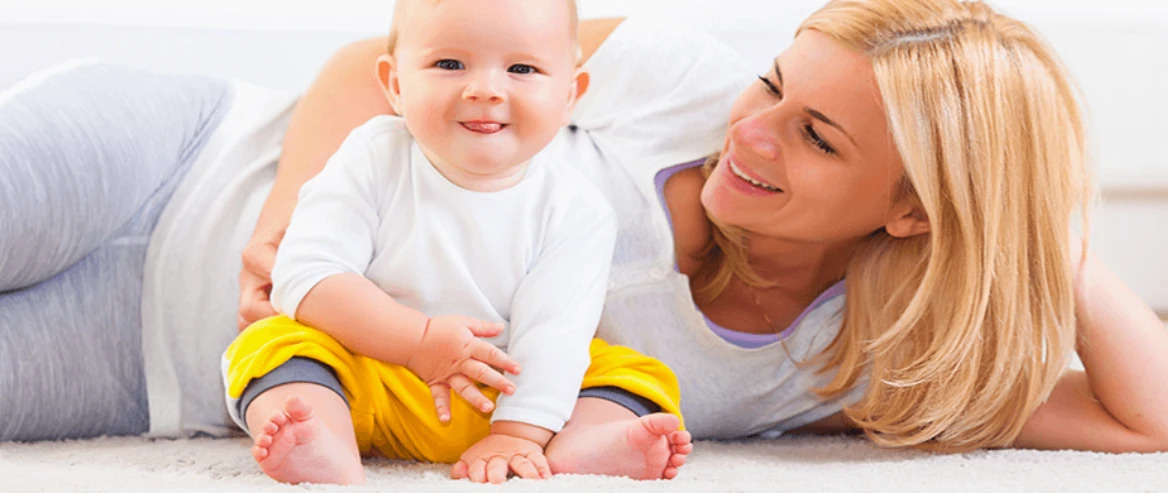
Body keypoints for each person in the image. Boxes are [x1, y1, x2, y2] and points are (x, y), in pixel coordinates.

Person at [2, 0, 1166, 481]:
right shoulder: (667, 82)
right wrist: (288, 211)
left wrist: (1038, 239)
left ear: (912, 211)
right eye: (772, 84)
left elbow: (1143, 419)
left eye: (813, 136)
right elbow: (382, 62)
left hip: (157, 360)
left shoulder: (863, 359)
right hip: (181, 155)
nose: (749, 131)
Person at [219, 0, 689, 485]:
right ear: (396, 84)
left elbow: (554, 333)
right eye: (449, 64)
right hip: (372, 378)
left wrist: (519, 433)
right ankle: (323, 439)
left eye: (522, 68)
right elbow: (305, 275)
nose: (484, 89)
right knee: (270, 343)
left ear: (571, 94)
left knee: (632, 372)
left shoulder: (577, 209)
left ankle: (584, 446)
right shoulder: (371, 157)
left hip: (502, 391)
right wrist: (417, 341)